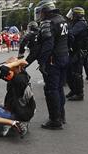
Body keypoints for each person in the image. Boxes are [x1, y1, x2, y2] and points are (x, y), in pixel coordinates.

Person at [34, 0, 69, 129]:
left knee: (51, 89)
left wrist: (42, 62)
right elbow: (70, 38)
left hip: (53, 60)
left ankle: (55, 120)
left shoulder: (48, 23)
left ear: (45, 11)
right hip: (64, 57)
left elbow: (48, 45)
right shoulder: (62, 20)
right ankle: (61, 115)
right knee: (59, 88)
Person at [0, 57, 34, 137]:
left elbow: (3, 69)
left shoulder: (19, 79)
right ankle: (13, 122)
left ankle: (11, 124)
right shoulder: (21, 75)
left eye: (10, 67)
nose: (8, 71)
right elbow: (2, 74)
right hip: (25, 110)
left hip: (18, 112)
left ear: (16, 67)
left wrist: (16, 63)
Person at [65, 7, 88, 101]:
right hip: (74, 50)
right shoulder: (76, 23)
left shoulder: (80, 24)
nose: (71, 16)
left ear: (77, 15)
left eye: (73, 14)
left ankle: (80, 93)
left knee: (77, 73)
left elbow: (71, 33)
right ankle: (74, 90)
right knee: (69, 71)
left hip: (79, 52)